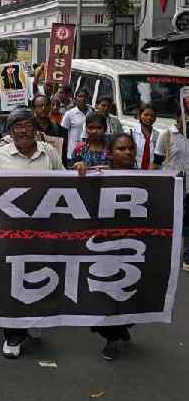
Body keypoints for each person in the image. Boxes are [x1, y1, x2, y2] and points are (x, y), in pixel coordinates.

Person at [0, 106, 76, 360]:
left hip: (42, 230)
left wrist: (82, 172)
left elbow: (65, 183)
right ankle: (12, 334)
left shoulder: (49, 153)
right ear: (10, 131)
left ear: (35, 128)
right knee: (12, 278)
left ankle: (32, 320)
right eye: (17, 126)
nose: (23, 130)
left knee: (38, 274)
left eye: (27, 125)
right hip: (9, 232)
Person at [87, 133, 140, 360]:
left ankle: (118, 331)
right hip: (104, 245)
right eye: (121, 149)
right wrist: (82, 172)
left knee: (127, 292)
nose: (127, 152)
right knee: (107, 292)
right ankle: (112, 336)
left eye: (130, 148)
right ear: (110, 153)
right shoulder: (99, 174)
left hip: (132, 245)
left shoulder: (146, 178)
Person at [153, 113, 189, 272]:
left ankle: (187, 257)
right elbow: (156, 162)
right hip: (171, 187)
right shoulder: (166, 135)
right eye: (185, 116)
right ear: (178, 118)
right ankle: (162, 256)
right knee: (169, 224)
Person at [61, 88, 91, 164]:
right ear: (75, 98)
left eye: (85, 96)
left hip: (88, 153)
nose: (83, 99)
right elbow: (63, 133)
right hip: (73, 152)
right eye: (80, 96)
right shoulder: (69, 114)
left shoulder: (92, 113)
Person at [129, 103, 159, 170]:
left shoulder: (158, 136)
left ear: (155, 118)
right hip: (134, 171)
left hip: (153, 173)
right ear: (139, 116)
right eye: (146, 115)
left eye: (152, 115)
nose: (149, 117)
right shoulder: (131, 133)